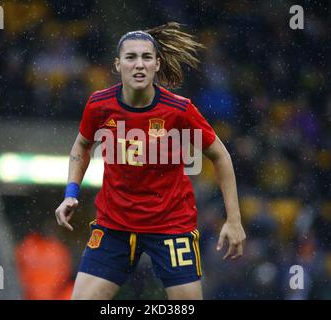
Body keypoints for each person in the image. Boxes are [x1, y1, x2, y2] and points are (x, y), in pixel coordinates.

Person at [55, 22, 246, 300]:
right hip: (114, 225)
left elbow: (221, 155)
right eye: (131, 57)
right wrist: (71, 193)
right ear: (117, 64)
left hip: (171, 225)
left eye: (146, 57)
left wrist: (234, 219)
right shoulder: (99, 105)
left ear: (157, 64)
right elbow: (82, 145)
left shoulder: (179, 110)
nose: (139, 64)